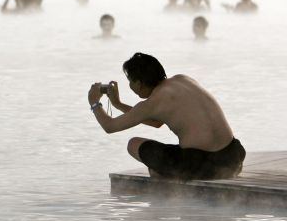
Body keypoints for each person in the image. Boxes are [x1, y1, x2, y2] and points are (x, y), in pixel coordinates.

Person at [87, 52, 245, 180]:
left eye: (130, 82)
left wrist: (94, 103)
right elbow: (156, 122)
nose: (130, 86)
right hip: (234, 157)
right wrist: (118, 104)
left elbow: (110, 126)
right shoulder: (184, 79)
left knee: (133, 144)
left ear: (139, 83)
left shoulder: (154, 102)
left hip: (202, 165)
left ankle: (166, 177)